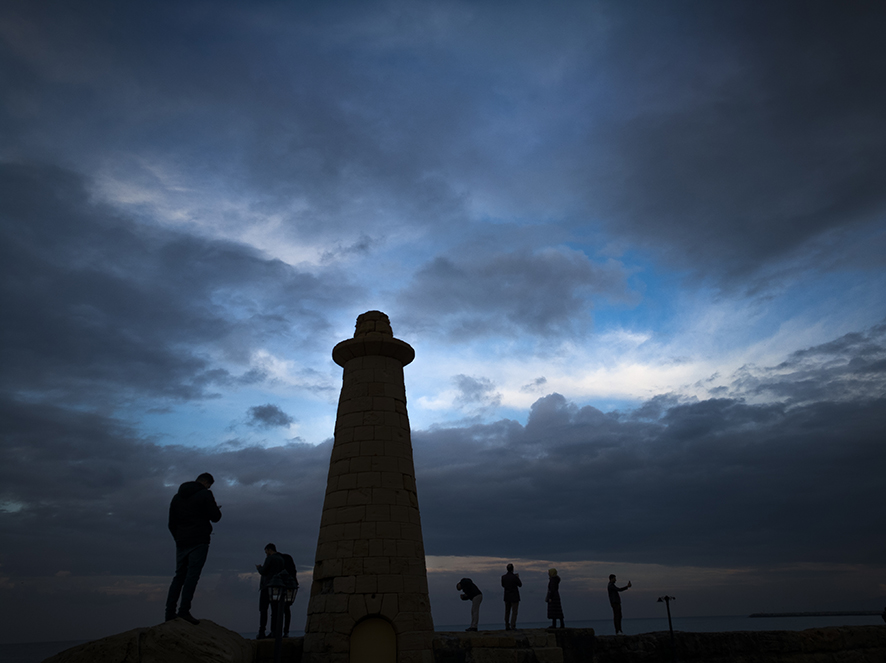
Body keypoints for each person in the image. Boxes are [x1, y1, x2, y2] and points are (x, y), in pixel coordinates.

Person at [165, 472, 222, 624]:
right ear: (206, 483)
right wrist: (215, 508)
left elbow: (171, 523)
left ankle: (169, 613)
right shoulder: (205, 494)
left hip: (182, 541)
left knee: (179, 576)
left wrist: (178, 538)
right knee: (192, 576)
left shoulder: (176, 497)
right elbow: (216, 517)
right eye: (209, 485)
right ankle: (184, 611)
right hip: (199, 540)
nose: (209, 487)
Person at [256, 543, 286, 639]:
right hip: (277, 587)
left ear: (269, 550)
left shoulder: (270, 558)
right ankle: (274, 631)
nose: (266, 554)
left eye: (266, 552)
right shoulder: (281, 559)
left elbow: (264, 571)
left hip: (267, 586)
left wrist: (259, 568)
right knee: (275, 611)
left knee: (263, 609)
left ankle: (262, 631)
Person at [501, 563, 522, 630]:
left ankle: (507, 625)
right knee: (514, 612)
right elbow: (520, 584)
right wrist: (517, 577)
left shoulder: (503, 577)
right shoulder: (514, 577)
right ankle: (513, 625)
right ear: (512, 569)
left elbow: (503, 585)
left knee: (507, 612)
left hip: (507, 596)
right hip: (514, 596)